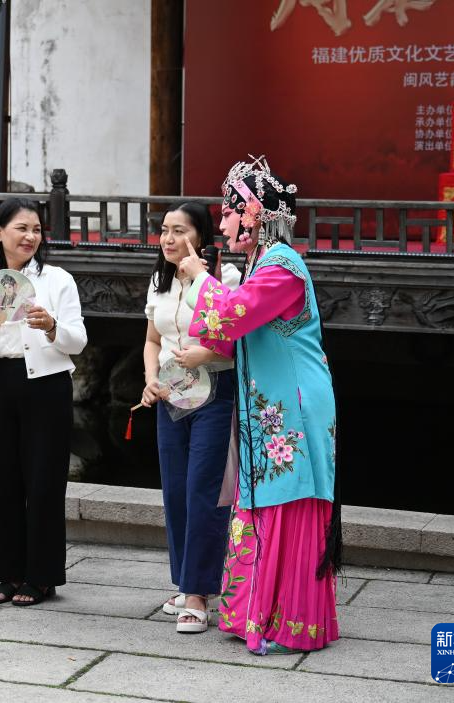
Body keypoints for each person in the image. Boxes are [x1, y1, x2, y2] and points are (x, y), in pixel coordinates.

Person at [177, 156, 340, 655]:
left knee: (287, 498)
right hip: (271, 404)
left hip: (293, 405)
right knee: (264, 497)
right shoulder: (261, 265)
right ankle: (258, 612)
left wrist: (201, 278)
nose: (222, 222)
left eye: (228, 212)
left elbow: (229, 317)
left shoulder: (282, 265)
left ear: (253, 216)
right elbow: (226, 333)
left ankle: (287, 620)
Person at [0, 197, 87, 606]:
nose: (30, 236)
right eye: (21, 228)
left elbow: (78, 340)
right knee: (2, 481)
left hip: (46, 385)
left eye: (36, 229)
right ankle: (9, 573)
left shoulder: (57, 281)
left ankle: (42, 577)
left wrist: (51, 327)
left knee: (45, 481)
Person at [139, 202, 241, 634]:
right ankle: (185, 580)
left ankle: (199, 592)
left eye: (179, 231)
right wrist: (150, 379)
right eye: (165, 230)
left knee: (204, 490)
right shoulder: (159, 281)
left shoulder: (225, 278)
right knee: (176, 490)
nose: (168, 239)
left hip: (214, 392)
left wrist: (209, 352)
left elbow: (235, 337)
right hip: (171, 394)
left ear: (201, 236)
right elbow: (152, 340)